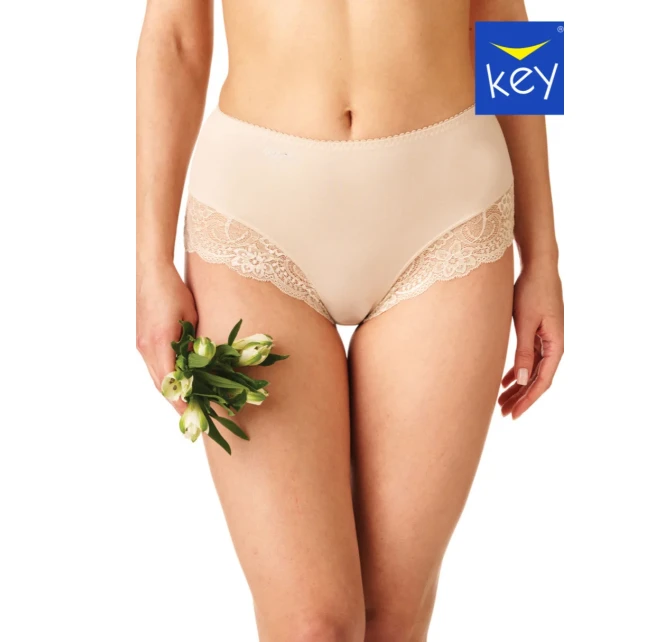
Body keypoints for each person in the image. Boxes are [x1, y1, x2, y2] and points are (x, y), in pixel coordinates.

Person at [136, 0, 564, 639]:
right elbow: (173, 37)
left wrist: (544, 256)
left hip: (449, 213)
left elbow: (507, 21)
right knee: (310, 625)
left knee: (393, 620)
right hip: (252, 220)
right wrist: (150, 263)